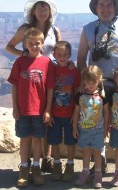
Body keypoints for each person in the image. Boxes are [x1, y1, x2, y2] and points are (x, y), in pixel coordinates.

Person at [76, 0, 118, 176]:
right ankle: (101, 160)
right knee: (97, 123)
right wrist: (84, 80)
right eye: (101, 6)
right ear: (95, 9)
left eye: (109, 5)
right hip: (97, 84)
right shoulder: (88, 29)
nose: (105, 9)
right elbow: (81, 57)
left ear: (115, 7)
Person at [6, 0, 60, 172]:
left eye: (46, 9)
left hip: (50, 73)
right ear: (33, 12)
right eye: (40, 8)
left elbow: (60, 51)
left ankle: (47, 158)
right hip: (29, 73)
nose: (43, 12)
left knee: (47, 117)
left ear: (50, 12)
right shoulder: (25, 29)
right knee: (33, 122)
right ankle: (28, 163)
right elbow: (9, 47)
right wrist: (23, 56)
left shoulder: (54, 30)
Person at [7, 28, 55, 188]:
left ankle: (36, 168)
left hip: (40, 110)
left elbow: (50, 88)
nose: (34, 46)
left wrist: (48, 109)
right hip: (23, 109)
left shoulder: (47, 63)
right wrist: (15, 107)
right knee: (24, 139)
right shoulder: (20, 62)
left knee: (37, 139)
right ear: (25, 44)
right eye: (31, 44)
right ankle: (24, 169)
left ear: (42, 44)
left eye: (37, 43)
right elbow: (14, 85)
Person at [47, 41, 81, 182]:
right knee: (54, 141)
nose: (62, 57)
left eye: (65, 55)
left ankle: (70, 165)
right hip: (55, 114)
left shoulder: (74, 71)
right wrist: (48, 111)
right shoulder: (52, 70)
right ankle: (56, 164)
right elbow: (48, 91)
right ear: (54, 55)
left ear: (70, 55)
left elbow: (78, 92)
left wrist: (75, 114)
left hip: (70, 114)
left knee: (70, 141)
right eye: (59, 55)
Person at [72, 65, 110, 189]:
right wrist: (74, 127)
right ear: (84, 81)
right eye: (88, 82)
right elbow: (76, 112)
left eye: (93, 82)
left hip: (98, 130)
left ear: (98, 80)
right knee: (86, 151)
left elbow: (106, 113)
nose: (91, 84)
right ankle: (85, 172)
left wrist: (106, 128)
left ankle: (98, 174)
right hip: (84, 130)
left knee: (97, 152)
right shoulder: (80, 96)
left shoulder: (102, 97)